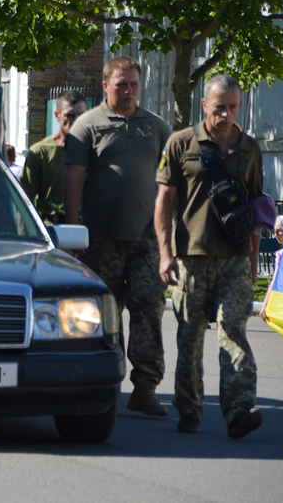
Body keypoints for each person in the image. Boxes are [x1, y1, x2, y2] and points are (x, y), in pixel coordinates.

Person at [155, 74, 264, 438]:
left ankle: (238, 409)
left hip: (233, 259)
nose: (227, 115)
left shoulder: (250, 149)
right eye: (219, 108)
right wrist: (165, 253)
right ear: (204, 105)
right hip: (191, 257)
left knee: (234, 331)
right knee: (191, 336)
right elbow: (164, 201)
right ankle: (189, 409)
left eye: (234, 108)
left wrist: (252, 261)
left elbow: (255, 210)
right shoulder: (181, 143)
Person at [64, 55, 172, 417]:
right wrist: (74, 231)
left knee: (148, 307)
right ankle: (107, 385)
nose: (128, 91)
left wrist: (170, 237)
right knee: (105, 314)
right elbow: (73, 180)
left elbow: (172, 182)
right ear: (105, 86)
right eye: (121, 84)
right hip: (100, 239)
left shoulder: (156, 126)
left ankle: (146, 387)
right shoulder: (86, 126)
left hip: (145, 238)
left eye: (134, 85)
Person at [20, 91, 87, 223]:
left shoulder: (95, 151)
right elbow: (24, 201)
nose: (76, 121)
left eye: (81, 115)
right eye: (70, 115)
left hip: (87, 229)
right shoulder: (40, 152)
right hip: (52, 228)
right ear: (57, 116)